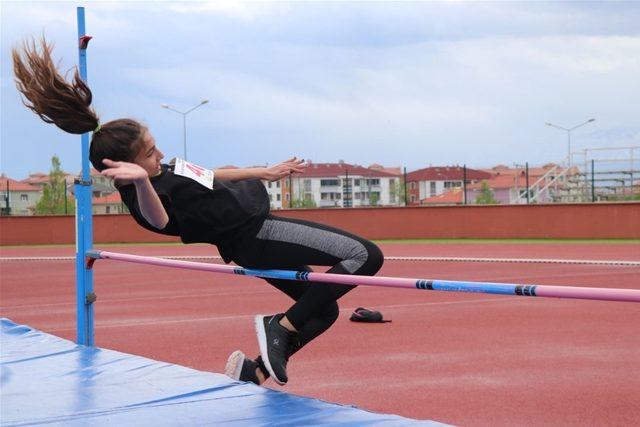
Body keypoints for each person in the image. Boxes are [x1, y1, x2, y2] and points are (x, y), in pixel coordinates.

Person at [13, 38, 384, 386]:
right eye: (149, 153)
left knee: (322, 310)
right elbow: (158, 220)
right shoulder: (146, 198)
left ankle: (253, 372)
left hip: (255, 236)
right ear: (129, 166)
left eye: (155, 147)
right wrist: (142, 181)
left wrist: (266, 171)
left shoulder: (169, 168)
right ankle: (280, 327)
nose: (159, 155)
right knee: (365, 255)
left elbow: (212, 174)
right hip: (259, 237)